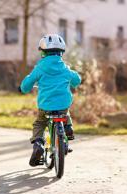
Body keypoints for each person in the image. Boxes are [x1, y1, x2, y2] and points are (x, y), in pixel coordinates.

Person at [19, 34, 81, 167]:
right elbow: (77, 80)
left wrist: (23, 88)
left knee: (40, 123)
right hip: (63, 104)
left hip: (46, 105)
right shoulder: (65, 68)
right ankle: (68, 128)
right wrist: (73, 82)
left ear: (42, 52)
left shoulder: (40, 68)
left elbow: (27, 84)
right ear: (61, 53)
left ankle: (38, 143)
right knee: (65, 111)